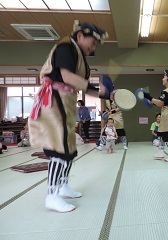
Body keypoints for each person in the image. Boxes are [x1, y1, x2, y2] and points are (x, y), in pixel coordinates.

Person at [28, 20, 109, 213]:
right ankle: (52, 195)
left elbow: (80, 85)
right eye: (93, 41)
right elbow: (68, 78)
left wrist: (103, 93)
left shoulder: (79, 55)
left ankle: (63, 186)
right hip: (55, 102)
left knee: (69, 148)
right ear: (80, 36)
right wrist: (99, 91)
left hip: (66, 103)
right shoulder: (66, 46)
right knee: (59, 149)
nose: (94, 46)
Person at [143, 70, 168, 162]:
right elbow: (163, 103)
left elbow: (161, 103)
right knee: (161, 133)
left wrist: (149, 97)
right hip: (167, 113)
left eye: (164, 77)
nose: (162, 79)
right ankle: (161, 152)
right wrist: (152, 100)